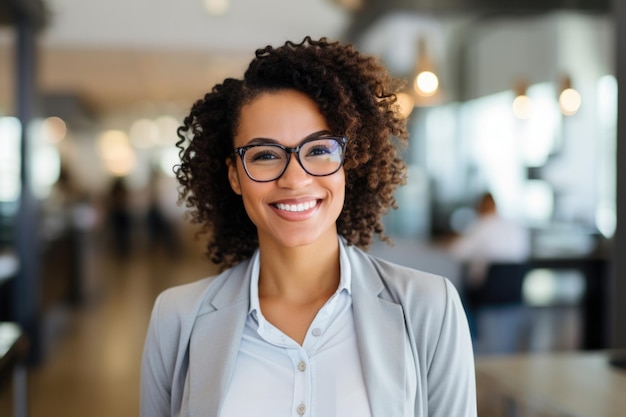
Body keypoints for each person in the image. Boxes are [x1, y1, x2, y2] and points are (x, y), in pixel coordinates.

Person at [140, 37, 476, 417]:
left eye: (318, 149)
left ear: (350, 163)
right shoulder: (176, 318)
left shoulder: (430, 308)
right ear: (234, 175)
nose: (295, 179)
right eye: (265, 155)